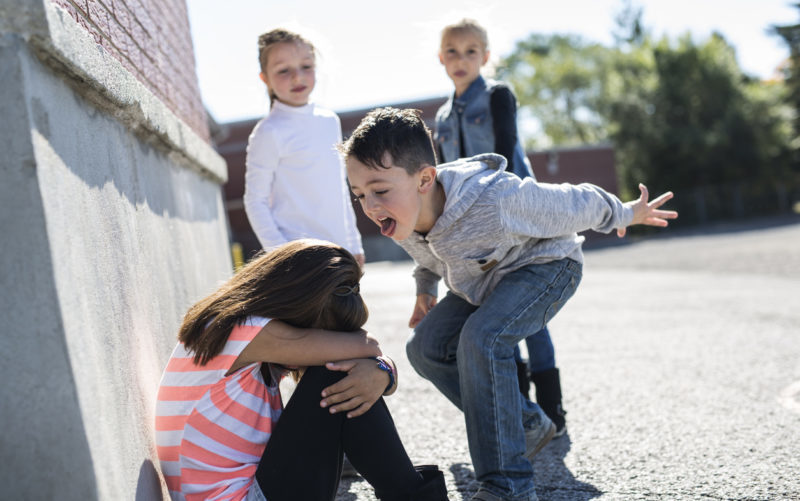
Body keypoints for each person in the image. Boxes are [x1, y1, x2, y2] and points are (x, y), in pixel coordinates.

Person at [340, 107, 677, 501]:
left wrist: (623, 212)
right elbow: (427, 255)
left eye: (379, 190)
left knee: (481, 339)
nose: (370, 205)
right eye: (359, 194)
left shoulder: (495, 199)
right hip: (484, 282)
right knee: (424, 349)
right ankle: (525, 423)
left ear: (424, 179)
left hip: (547, 267)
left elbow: (573, 202)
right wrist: (425, 290)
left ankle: (509, 486)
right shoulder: (400, 213)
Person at [155, 240, 449, 501]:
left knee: (344, 373)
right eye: (323, 334)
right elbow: (367, 345)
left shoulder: (235, 330)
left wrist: (383, 371)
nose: (323, 347)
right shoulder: (244, 331)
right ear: (297, 305)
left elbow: (369, 354)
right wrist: (380, 367)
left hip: (249, 489)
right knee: (336, 373)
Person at [433, 18, 564, 434]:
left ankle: (553, 409)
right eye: (452, 51)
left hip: (516, 217)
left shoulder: (497, 97)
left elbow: (506, 153)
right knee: (496, 314)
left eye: (471, 51)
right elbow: (443, 175)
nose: (461, 59)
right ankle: (524, 413)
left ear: (486, 57)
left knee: (530, 316)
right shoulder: (440, 116)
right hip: (473, 229)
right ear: (441, 58)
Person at [244, 29, 364, 267]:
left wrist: (354, 244)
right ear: (265, 78)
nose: (297, 77)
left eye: (306, 66)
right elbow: (254, 200)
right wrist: (283, 254)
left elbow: (340, 189)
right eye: (283, 70)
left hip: (340, 253)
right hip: (299, 260)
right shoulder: (269, 132)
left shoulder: (329, 120)